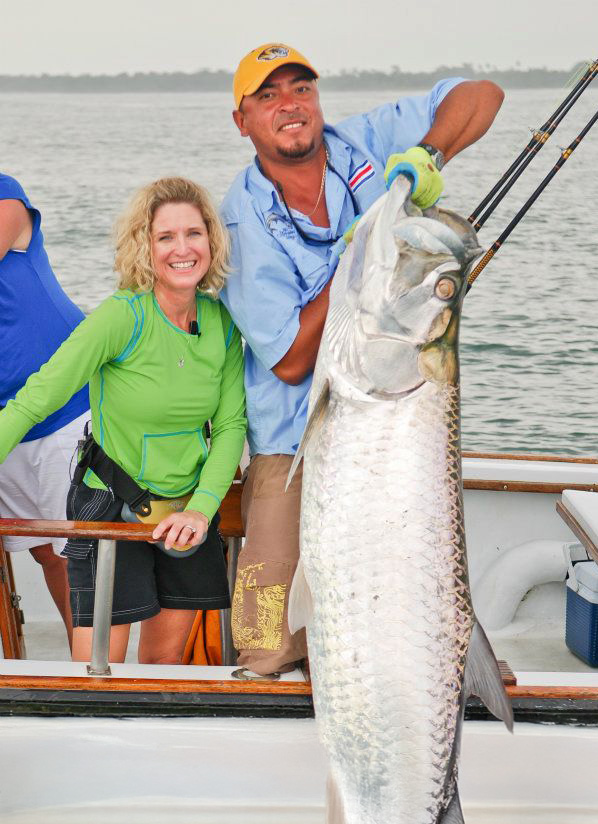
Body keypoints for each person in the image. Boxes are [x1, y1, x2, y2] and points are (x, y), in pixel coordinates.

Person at [221, 44, 504, 675]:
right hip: (292, 447)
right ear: (242, 122)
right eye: (267, 97)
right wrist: (359, 258)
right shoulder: (242, 220)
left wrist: (426, 156)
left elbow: (481, 94)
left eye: (300, 89)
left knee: (426, 613)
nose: (290, 106)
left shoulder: (364, 144)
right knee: (264, 639)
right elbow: (293, 360)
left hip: (393, 426)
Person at [0, 177, 246, 664]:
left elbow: (231, 427)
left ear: (211, 242)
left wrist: (201, 509)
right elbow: (36, 400)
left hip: (186, 513)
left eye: (194, 234)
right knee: (93, 673)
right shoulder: (120, 317)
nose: (182, 249)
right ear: (144, 246)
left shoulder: (221, 324)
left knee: (163, 674)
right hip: (111, 504)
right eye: (165, 237)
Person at [0, 173, 90, 648]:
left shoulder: (5, 192)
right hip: (7, 423)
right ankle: (82, 655)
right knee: (45, 553)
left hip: (66, 407)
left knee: (72, 547)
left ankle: (95, 669)